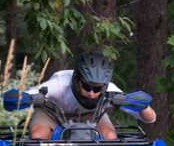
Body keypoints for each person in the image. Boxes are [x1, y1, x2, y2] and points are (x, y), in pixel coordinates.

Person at [25, 51, 156, 140]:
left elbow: (150, 119)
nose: (92, 93)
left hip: (92, 116)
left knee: (110, 136)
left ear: (104, 86)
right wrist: (29, 99)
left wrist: (140, 105)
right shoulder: (59, 83)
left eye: (97, 88)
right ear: (77, 80)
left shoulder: (111, 91)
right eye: (87, 86)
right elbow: (26, 95)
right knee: (39, 135)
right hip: (52, 115)